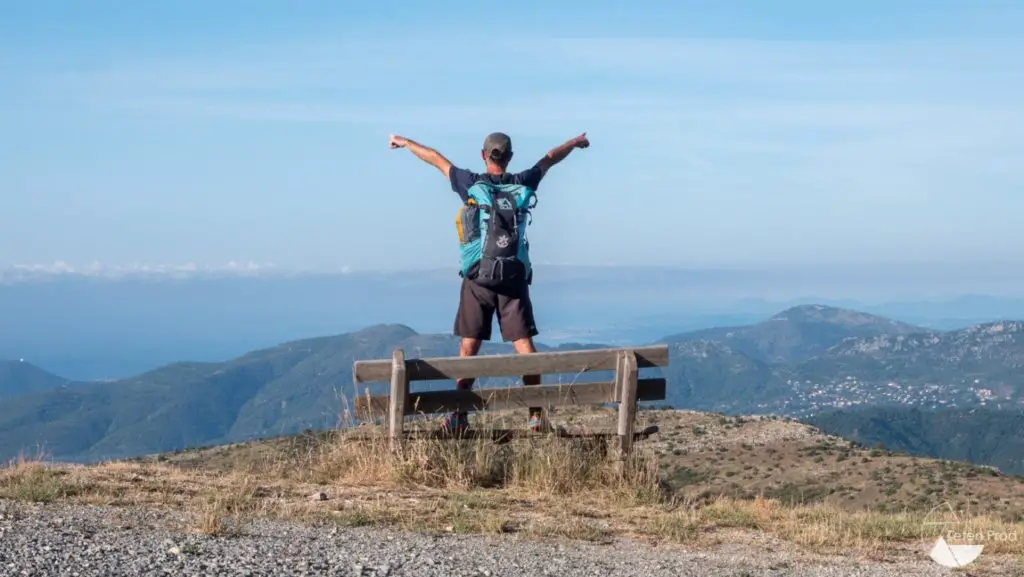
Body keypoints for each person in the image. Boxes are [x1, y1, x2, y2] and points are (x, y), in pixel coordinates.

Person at [388, 130, 590, 434]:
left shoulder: (471, 184)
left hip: (478, 278)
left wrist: (405, 144)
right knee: (524, 344)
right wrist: (574, 144)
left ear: (484, 155)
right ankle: (535, 414)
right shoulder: (522, 182)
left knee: (469, 343)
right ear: (509, 157)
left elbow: (436, 159)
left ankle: (459, 414)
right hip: (513, 279)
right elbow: (549, 160)